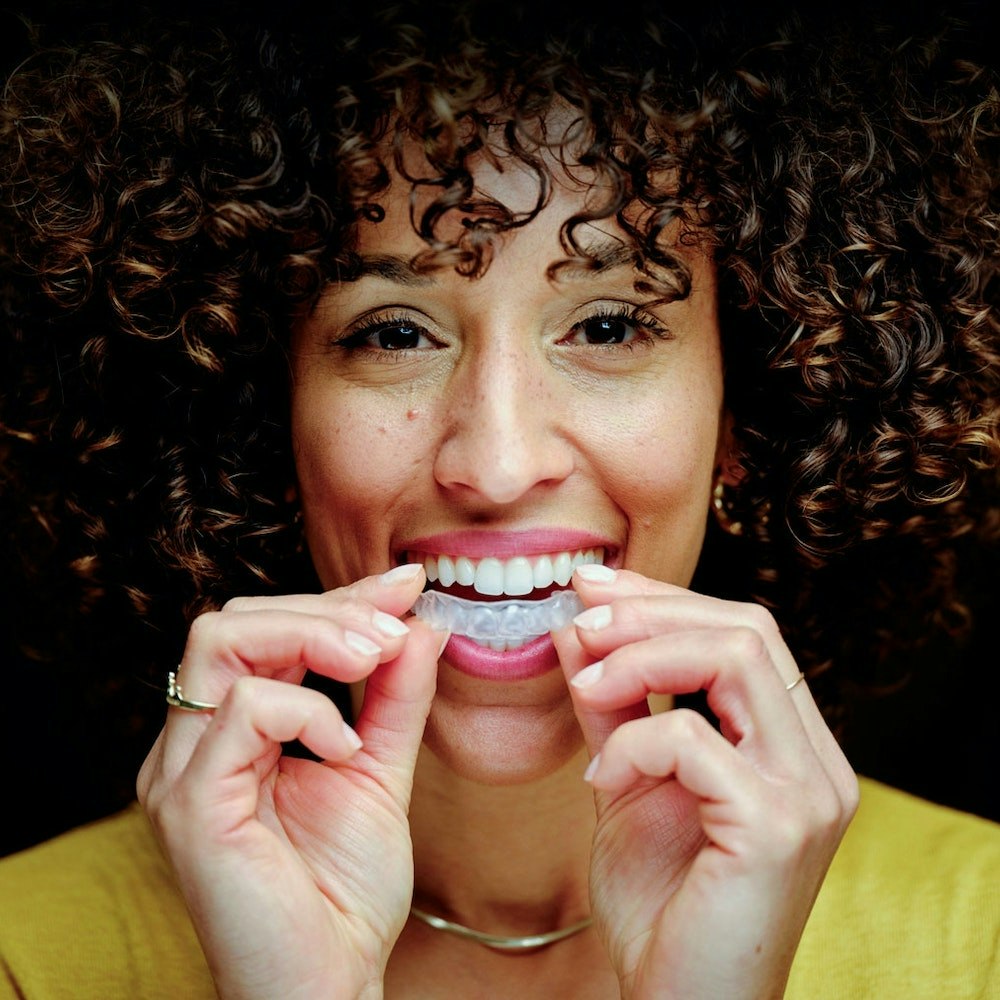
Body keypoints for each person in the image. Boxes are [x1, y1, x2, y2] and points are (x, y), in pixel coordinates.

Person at [1, 1, 998, 997]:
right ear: (270, 408)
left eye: (608, 326)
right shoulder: (28, 954)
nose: (498, 461)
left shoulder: (979, 941)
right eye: (394, 332)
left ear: (749, 406)